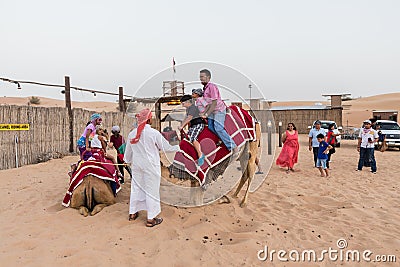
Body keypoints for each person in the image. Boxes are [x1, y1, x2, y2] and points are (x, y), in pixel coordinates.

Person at [124, 108, 180, 227]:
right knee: (151, 190)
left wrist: (127, 161)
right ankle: (151, 219)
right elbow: (166, 147)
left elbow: (128, 154)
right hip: (151, 166)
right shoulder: (154, 133)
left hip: (137, 165)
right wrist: (179, 147)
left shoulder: (131, 134)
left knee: (136, 187)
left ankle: (132, 213)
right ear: (149, 119)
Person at [199, 69, 238, 154]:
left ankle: (233, 146)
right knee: (210, 127)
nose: (201, 78)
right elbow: (208, 104)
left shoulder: (212, 87)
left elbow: (214, 102)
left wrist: (206, 114)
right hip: (212, 111)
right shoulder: (205, 89)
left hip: (218, 110)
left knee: (218, 127)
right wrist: (204, 112)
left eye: (202, 76)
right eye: (200, 77)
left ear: (208, 77)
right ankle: (222, 139)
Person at [179, 95, 206, 166]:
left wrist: (182, 126)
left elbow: (189, 118)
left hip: (198, 124)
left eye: (183, 103)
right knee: (187, 138)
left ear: (188, 102)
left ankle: (200, 155)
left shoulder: (192, 108)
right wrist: (182, 125)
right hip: (193, 126)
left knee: (193, 138)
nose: (183, 105)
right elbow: (186, 118)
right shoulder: (188, 109)